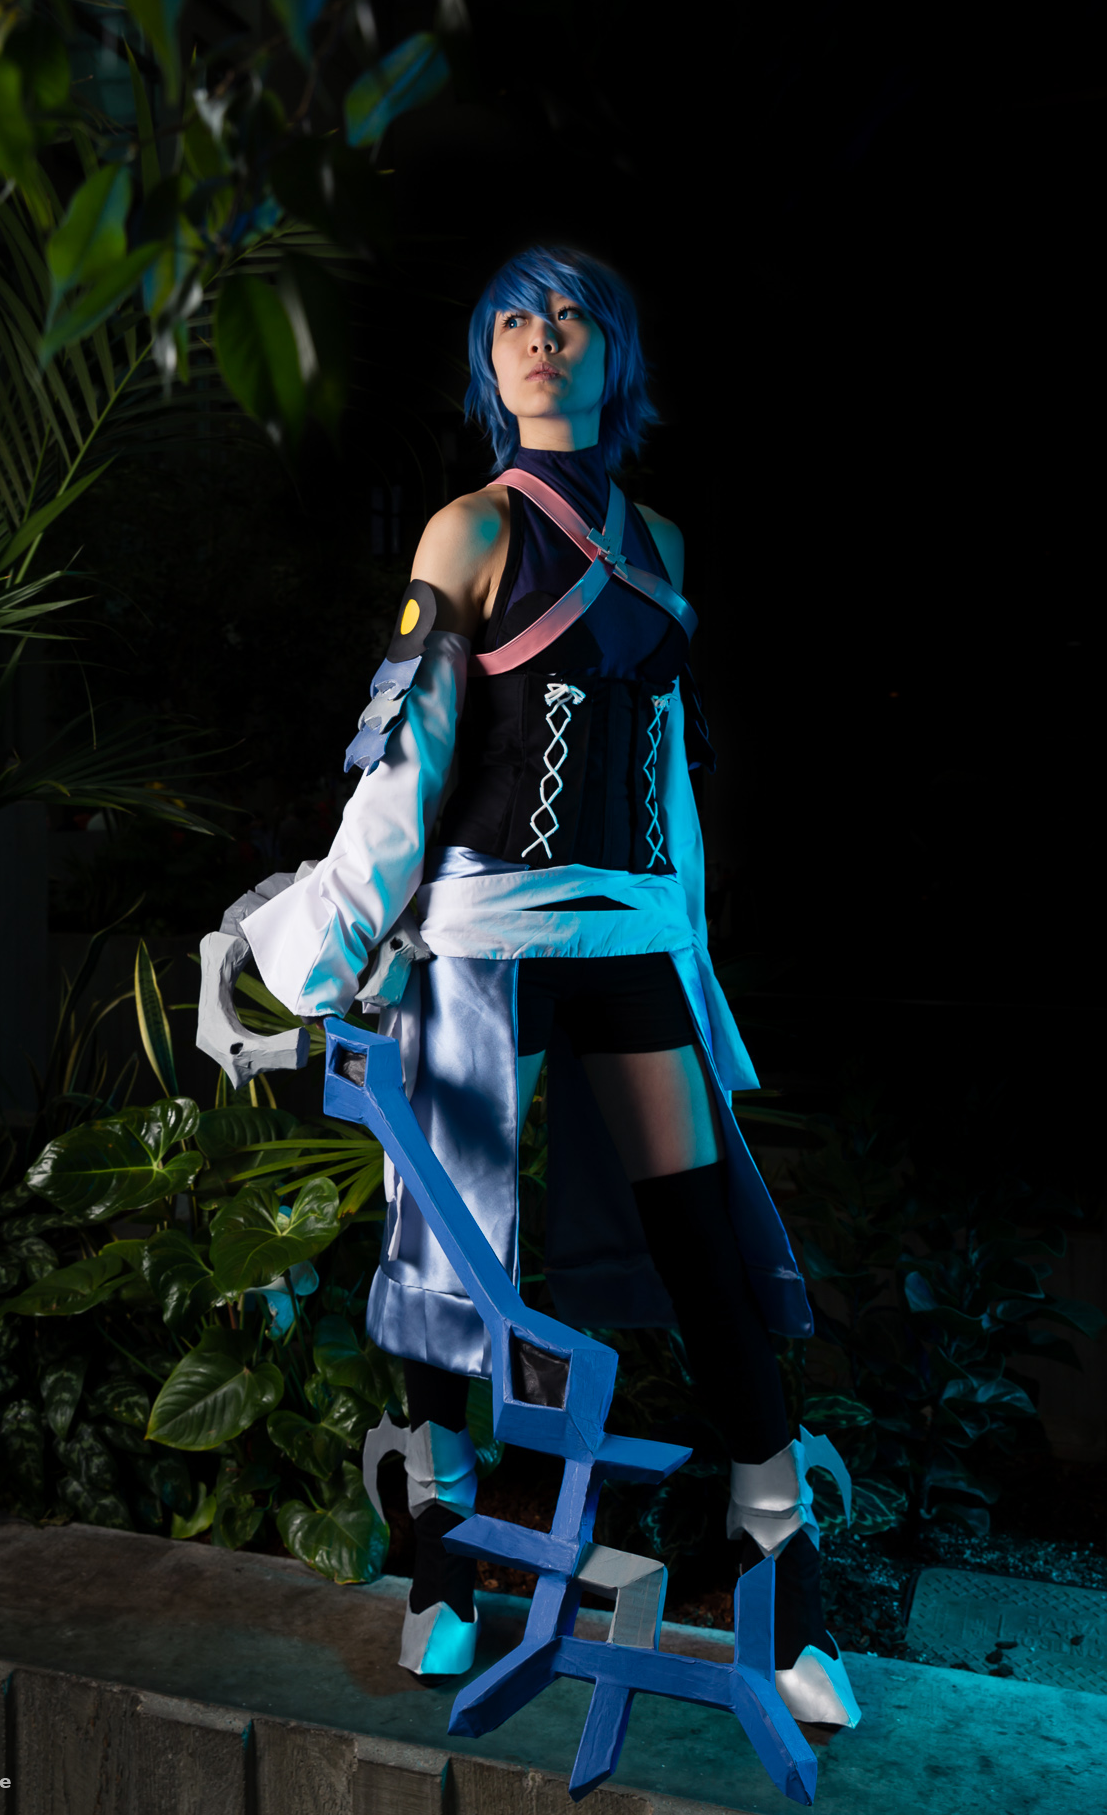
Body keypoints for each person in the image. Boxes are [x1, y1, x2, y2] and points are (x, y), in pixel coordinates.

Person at [239, 245, 860, 1729]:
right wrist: (325, 941)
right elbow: (410, 757)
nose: (541, 336)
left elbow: (670, 788)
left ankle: (778, 1585)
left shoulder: (662, 541)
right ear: (488, 359)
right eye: (514, 317)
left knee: (703, 1241)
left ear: (614, 356)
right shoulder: (467, 527)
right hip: (478, 940)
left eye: (571, 316)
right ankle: (443, 1572)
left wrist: (691, 959)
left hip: (630, 937)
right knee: (444, 1254)